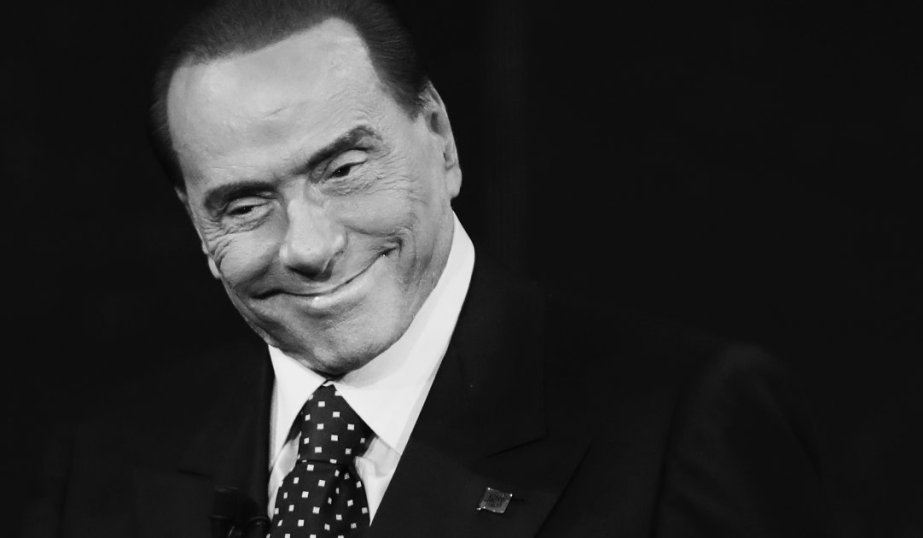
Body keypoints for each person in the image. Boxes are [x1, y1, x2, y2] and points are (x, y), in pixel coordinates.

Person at [22, 0, 834, 536]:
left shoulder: (685, 422)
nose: (307, 246)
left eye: (343, 170)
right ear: (196, 225)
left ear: (439, 138)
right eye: (244, 205)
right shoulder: (102, 464)